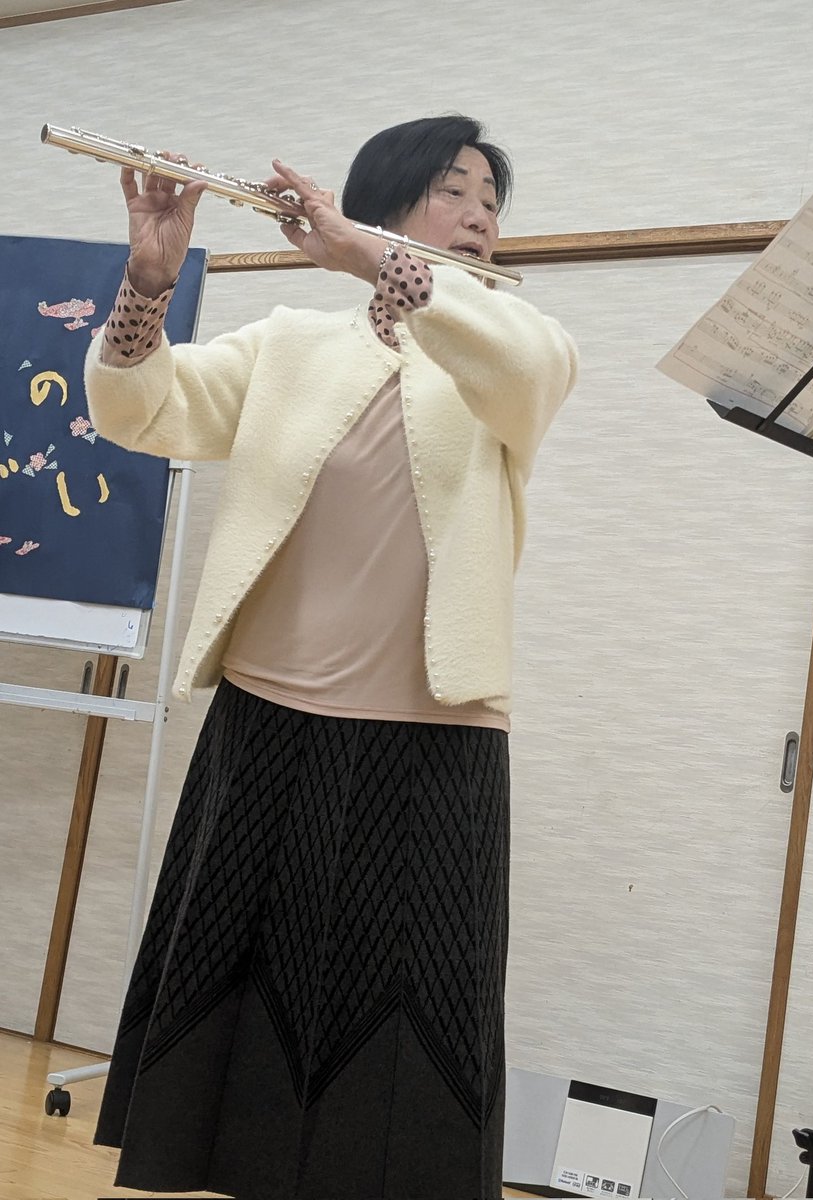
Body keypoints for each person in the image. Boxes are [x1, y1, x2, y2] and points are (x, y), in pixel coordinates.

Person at [83, 115, 577, 1200]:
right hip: (267, 720)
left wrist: (372, 262)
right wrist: (148, 287)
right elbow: (141, 411)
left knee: (416, 1004)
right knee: (239, 996)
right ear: (386, 198)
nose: (481, 215)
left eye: (491, 200)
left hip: (435, 735)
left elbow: (529, 370)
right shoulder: (291, 343)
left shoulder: (513, 342)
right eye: (455, 189)